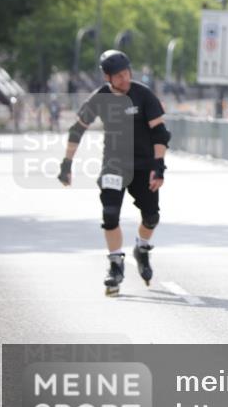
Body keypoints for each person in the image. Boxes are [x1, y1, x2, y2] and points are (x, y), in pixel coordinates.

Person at [57, 50, 171, 296]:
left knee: (151, 217)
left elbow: (160, 133)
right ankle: (115, 265)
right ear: (107, 77)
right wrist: (67, 163)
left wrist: (158, 166)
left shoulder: (143, 95)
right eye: (118, 76)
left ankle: (142, 248)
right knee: (110, 215)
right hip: (114, 165)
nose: (124, 79)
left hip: (144, 165)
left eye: (127, 73)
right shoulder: (100, 98)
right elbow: (77, 130)